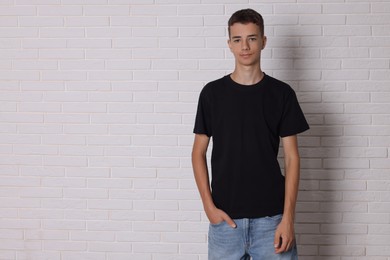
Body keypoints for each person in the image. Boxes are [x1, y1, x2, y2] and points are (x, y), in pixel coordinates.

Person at [191, 8, 309, 260]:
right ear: (229, 44)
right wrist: (209, 208)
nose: (245, 46)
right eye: (238, 39)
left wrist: (288, 219)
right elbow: (197, 153)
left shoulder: (282, 94)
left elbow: (292, 158)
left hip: (272, 221)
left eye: (252, 38)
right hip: (225, 222)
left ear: (263, 41)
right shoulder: (212, 94)